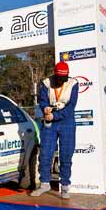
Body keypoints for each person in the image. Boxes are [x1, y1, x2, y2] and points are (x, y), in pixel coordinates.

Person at [30, 61, 78, 199]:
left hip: (66, 121)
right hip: (49, 121)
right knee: (45, 153)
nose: (61, 82)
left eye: (64, 79)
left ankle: (65, 186)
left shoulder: (73, 84)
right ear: (55, 75)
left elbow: (71, 106)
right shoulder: (46, 83)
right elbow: (42, 100)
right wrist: (45, 108)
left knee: (66, 155)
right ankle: (44, 183)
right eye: (59, 79)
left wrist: (55, 115)